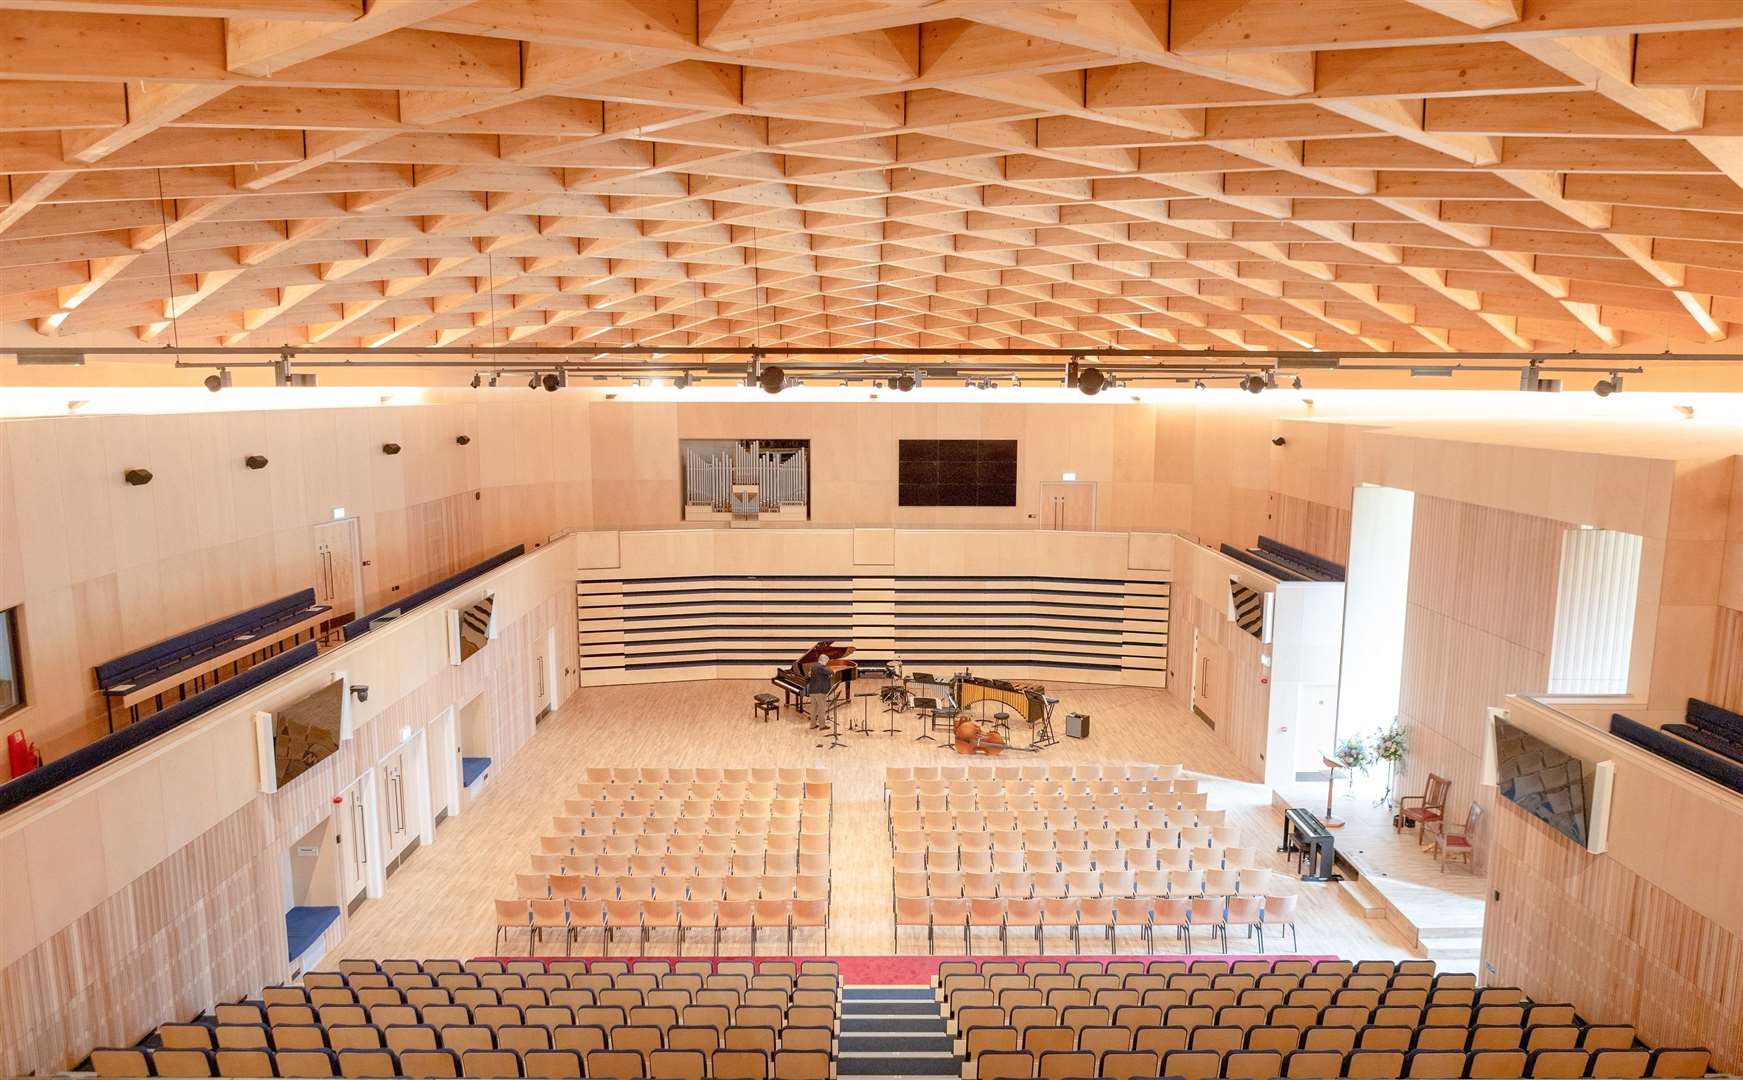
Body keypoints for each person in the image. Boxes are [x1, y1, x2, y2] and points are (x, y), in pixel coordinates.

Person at [805, 660, 835, 731]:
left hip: (812, 690)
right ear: (823, 661)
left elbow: (811, 674)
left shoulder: (813, 666)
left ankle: (813, 725)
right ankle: (822, 726)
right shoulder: (821, 667)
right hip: (820, 691)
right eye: (826, 661)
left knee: (813, 708)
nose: (826, 663)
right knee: (821, 708)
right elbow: (831, 671)